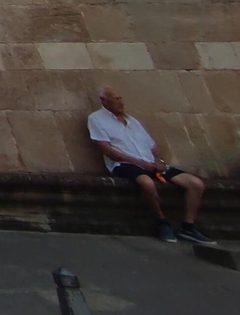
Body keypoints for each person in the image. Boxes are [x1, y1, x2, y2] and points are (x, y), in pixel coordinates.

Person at [88, 85, 213, 244]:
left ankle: (188, 226)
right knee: (146, 183)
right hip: (125, 164)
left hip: (150, 162)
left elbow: (153, 146)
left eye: (121, 98)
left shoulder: (132, 121)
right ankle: (161, 222)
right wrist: (140, 163)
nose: (121, 102)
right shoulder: (96, 119)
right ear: (104, 100)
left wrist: (159, 161)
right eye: (116, 99)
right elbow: (107, 150)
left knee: (195, 184)